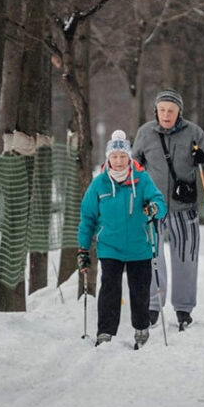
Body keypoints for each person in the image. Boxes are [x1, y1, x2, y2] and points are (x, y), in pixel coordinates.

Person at [131, 89, 204, 332]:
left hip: (184, 206)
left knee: (185, 257)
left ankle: (184, 308)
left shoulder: (194, 132)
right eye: (162, 109)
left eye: (171, 110)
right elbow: (135, 164)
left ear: (179, 112)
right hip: (153, 206)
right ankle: (153, 306)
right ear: (156, 110)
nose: (166, 114)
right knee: (152, 257)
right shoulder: (145, 132)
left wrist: (202, 159)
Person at [77, 130, 167, 348]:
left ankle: (141, 328)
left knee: (139, 289)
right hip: (110, 246)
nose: (118, 161)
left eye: (122, 156)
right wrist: (83, 249)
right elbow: (87, 218)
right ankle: (105, 332)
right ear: (108, 158)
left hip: (140, 246)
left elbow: (160, 203)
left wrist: (154, 208)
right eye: (114, 157)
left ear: (129, 158)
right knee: (110, 288)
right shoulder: (99, 184)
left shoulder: (142, 179)